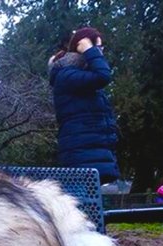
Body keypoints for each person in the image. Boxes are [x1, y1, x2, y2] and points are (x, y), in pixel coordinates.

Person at [48, 27, 120, 183]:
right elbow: (103, 76)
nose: (100, 52)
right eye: (97, 47)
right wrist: (89, 49)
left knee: (90, 205)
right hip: (82, 159)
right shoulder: (67, 75)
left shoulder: (81, 75)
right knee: (85, 204)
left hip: (91, 156)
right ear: (83, 49)